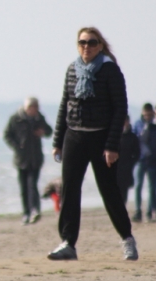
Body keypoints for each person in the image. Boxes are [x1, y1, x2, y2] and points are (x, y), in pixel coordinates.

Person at [49, 27, 137, 261]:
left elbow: (120, 109)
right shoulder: (72, 69)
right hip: (74, 137)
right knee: (69, 190)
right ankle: (68, 243)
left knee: (109, 191)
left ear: (100, 45)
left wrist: (112, 146)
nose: (86, 47)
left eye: (91, 42)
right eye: (82, 42)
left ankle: (127, 239)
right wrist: (57, 141)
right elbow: (64, 105)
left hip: (101, 139)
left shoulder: (110, 70)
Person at [3, 97, 53, 224]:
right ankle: (26, 213)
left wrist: (43, 132)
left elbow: (49, 131)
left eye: (37, 108)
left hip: (36, 158)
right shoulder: (16, 118)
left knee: (32, 185)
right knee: (23, 188)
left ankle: (35, 210)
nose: (36, 110)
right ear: (28, 108)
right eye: (34, 108)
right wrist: (17, 146)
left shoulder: (39, 118)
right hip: (21, 159)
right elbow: (7, 135)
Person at [131, 103, 154, 222]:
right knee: (138, 186)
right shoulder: (137, 124)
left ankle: (150, 212)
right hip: (139, 159)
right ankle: (137, 211)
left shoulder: (155, 124)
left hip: (152, 160)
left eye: (149, 114)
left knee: (151, 187)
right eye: (146, 114)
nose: (147, 116)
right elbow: (133, 139)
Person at [116, 115, 140, 204]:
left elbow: (137, 153)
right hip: (114, 168)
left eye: (125, 121)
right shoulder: (114, 136)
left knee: (124, 192)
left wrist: (131, 163)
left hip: (127, 169)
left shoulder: (132, 137)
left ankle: (122, 209)